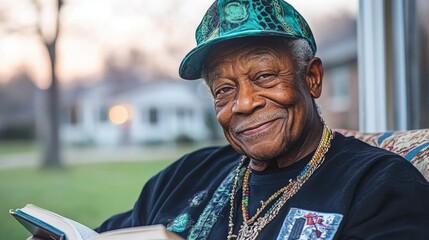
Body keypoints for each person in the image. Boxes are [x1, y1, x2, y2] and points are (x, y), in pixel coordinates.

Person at [29, 0, 429, 239]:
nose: (243, 103)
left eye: (264, 77)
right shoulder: (186, 175)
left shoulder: (380, 185)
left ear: (312, 78)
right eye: (223, 89)